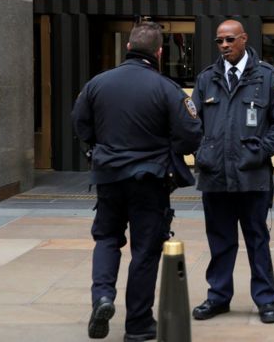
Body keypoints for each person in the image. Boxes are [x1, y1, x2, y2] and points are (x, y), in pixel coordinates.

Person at [71, 21, 202, 341]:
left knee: (106, 239)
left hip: (109, 178)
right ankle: (139, 324)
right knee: (145, 251)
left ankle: (102, 297)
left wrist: (97, 150)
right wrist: (169, 151)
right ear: (159, 52)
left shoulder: (97, 83)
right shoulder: (166, 88)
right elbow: (191, 134)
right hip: (150, 181)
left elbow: (80, 123)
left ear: (128, 47)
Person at [191, 19, 274, 324]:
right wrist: (202, 152)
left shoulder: (268, 77)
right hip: (215, 177)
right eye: (219, 41)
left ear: (244, 39)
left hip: (253, 177)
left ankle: (265, 300)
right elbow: (192, 123)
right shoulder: (207, 79)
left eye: (230, 40)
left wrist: (257, 152)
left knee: (257, 239)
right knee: (220, 241)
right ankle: (218, 297)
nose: (224, 46)